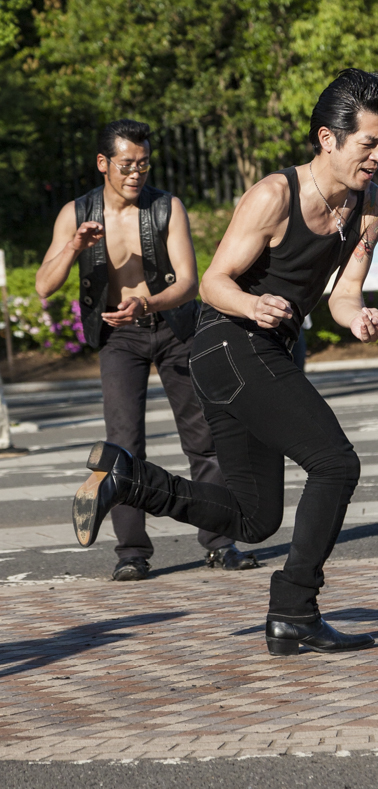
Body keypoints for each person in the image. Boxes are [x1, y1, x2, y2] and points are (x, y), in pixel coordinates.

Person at [71, 68, 378, 655]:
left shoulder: (372, 205)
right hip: (228, 343)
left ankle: (128, 479)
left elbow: (344, 292)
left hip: (262, 352)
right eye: (368, 143)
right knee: (335, 464)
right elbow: (213, 282)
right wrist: (253, 304)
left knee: (253, 520)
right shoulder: (275, 195)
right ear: (329, 139)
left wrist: (359, 317)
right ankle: (295, 609)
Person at [36, 119, 258, 580]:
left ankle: (220, 542)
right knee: (123, 444)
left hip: (174, 327)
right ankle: (131, 553)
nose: (135, 173)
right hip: (119, 338)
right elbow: (44, 285)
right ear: (103, 163)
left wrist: (147, 303)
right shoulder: (76, 213)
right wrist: (74, 246)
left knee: (204, 440)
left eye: (143, 164)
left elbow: (189, 282)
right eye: (126, 165)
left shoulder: (165, 207)